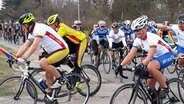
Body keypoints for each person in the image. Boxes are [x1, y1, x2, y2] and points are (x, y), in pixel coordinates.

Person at [117, 16, 174, 99]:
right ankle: (156, 100)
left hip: (167, 55)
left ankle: (164, 87)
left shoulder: (152, 37)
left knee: (150, 66)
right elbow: (131, 54)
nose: (136, 33)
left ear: (144, 29)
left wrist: (142, 65)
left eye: (138, 30)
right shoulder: (138, 40)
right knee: (149, 87)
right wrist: (120, 66)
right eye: (134, 31)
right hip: (156, 58)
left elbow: (150, 55)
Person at [16, 13, 69, 95]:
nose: (23, 28)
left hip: (62, 49)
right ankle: (52, 96)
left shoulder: (39, 28)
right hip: (52, 51)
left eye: (24, 25)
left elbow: (34, 45)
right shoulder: (32, 32)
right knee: (48, 74)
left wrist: (24, 58)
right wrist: (16, 56)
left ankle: (61, 79)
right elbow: (26, 45)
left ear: (29, 24)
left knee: (42, 63)